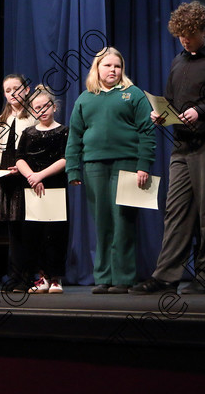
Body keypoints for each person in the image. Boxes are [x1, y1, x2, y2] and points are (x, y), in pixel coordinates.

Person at [129, 1, 205, 295]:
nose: (184, 40)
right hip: (182, 146)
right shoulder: (178, 61)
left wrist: (201, 110)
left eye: (189, 34)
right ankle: (165, 276)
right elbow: (172, 99)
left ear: (203, 30)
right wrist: (162, 112)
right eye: (180, 35)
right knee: (175, 211)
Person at [66, 47, 156, 294]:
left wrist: (143, 164)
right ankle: (103, 277)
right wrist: (73, 170)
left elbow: (147, 131)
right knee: (102, 222)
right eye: (107, 66)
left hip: (127, 165)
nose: (113, 70)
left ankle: (123, 278)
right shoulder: (85, 98)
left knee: (123, 221)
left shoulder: (133, 94)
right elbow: (74, 136)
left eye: (117, 66)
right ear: (97, 68)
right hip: (94, 166)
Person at [15, 85, 70, 294]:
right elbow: (20, 158)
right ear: (32, 111)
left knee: (55, 233)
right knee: (34, 234)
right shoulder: (28, 133)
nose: (42, 110)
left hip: (54, 187)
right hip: (32, 188)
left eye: (46, 106)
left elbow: (66, 159)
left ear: (54, 107)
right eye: (37, 108)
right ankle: (42, 277)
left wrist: (41, 175)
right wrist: (31, 176)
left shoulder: (64, 131)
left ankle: (56, 278)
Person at [0, 74, 35, 290]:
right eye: (8, 90)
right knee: (13, 229)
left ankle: (27, 277)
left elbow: (34, 149)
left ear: (26, 90)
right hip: (7, 175)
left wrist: (24, 168)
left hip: (25, 173)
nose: (12, 93)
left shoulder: (33, 115)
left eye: (17, 88)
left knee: (27, 228)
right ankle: (14, 275)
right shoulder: (1, 119)